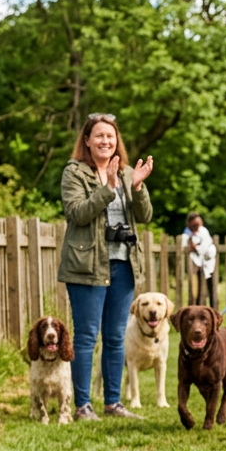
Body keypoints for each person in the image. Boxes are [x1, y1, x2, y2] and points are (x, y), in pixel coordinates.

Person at [57, 113, 154, 420]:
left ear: (117, 141)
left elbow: (146, 215)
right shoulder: (75, 172)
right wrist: (108, 188)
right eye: (98, 136)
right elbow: (77, 213)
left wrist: (137, 188)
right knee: (86, 336)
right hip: (86, 264)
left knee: (114, 336)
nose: (105, 141)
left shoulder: (127, 172)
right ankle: (83, 405)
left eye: (110, 137)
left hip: (123, 263)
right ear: (86, 140)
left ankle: (113, 403)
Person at [186, 212, 218, 306]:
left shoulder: (203, 232)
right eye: (194, 226)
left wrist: (196, 248)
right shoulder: (188, 234)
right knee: (197, 290)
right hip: (196, 265)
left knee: (211, 289)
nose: (197, 228)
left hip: (208, 264)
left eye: (198, 224)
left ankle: (213, 311)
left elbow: (204, 247)